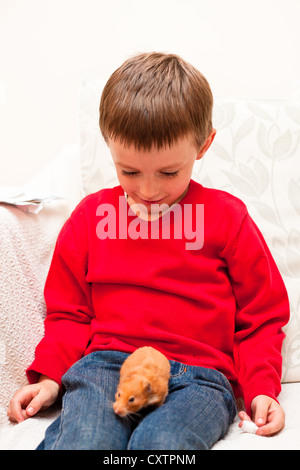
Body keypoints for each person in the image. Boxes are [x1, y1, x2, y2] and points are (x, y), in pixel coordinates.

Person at [8, 52, 289, 450]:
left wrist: (262, 388)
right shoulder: (91, 217)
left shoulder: (228, 218)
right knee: (87, 439)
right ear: (109, 148)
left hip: (200, 376)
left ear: (204, 144)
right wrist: (52, 376)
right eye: (130, 171)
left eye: (169, 173)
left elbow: (261, 316)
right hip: (107, 364)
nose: (150, 191)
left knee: (163, 443)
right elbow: (69, 312)